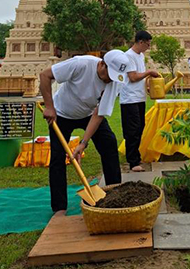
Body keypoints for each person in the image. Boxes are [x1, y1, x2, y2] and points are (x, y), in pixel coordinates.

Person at [38, 50, 129, 213]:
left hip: (89, 114)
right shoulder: (81, 64)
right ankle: (59, 207)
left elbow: (98, 114)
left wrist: (83, 143)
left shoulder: (115, 81)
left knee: (109, 144)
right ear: (102, 64)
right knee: (58, 157)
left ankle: (115, 195)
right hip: (62, 114)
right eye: (109, 74)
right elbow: (45, 75)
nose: (110, 80)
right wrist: (49, 107)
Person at [120, 31, 162, 172]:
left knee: (139, 128)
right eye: (147, 44)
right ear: (140, 42)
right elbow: (132, 77)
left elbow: (140, 76)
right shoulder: (128, 56)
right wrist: (149, 72)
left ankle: (136, 157)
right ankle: (133, 162)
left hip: (139, 97)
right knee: (132, 130)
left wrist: (148, 86)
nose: (148, 47)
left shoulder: (140, 56)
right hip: (130, 99)